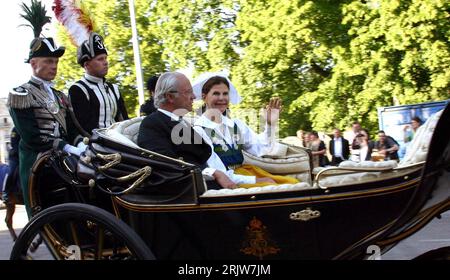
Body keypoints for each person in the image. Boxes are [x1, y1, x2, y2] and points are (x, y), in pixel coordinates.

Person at [8, 36, 86, 215]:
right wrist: (67, 148)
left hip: (65, 158)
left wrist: (80, 144)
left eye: (56, 61)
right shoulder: (21, 94)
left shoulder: (59, 95)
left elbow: (72, 129)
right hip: (40, 162)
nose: (54, 66)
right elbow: (32, 137)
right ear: (34, 63)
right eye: (49, 61)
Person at [192, 73, 298, 188]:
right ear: (204, 97)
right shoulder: (199, 130)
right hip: (228, 181)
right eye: (216, 94)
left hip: (246, 172)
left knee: (293, 184)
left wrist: (270, 125)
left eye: (225, 94)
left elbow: (261, 148)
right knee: (275, 188)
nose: (222, 98)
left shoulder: (236, 125)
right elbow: (219, 172)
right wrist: (256, 180)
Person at [137, 72, 237, 189]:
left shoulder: (181, 121)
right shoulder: (152, 124)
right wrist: (213, 173)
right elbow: (167, 164)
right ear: (170, 97)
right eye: (188, 92)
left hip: (207, 186)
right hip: (189, 192)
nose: (194, 96)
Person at [69, 32, 128, 135]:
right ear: (87, 65)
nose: (105, 62)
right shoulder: (78, 89)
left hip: (120, 141)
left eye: (105, 58)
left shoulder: (114, 88)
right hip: (94, 145)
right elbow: (83, 126)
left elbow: (124, 120)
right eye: (100, 59)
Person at [1, 127, 21, 240]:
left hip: (25, 154)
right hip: (15, 156)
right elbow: (15, 144)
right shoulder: (15, 129)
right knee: (11, 171)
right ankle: (6, 192)